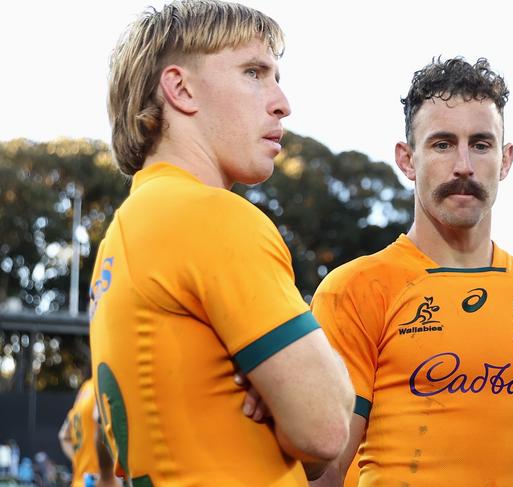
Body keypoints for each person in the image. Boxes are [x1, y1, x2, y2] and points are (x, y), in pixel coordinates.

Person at [309, 56, 513, 486]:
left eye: (482, 144)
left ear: (505, 160)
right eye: (442, 143)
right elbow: (325, 472)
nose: (464, 166)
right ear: (407, 159)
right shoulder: (356, 289)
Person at [88, 1, 354, 486]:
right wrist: (299, 385)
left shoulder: (128, 227)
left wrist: (285, 394)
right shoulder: (211, 216)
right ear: (181, 88)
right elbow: (326, 431)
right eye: (254, 72)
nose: (282, 102)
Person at [59, 377, 121, 487]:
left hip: (80, 482)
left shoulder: (85, 388)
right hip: (102, 482)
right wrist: (107, 474)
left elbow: (63, 435)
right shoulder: (105, 384)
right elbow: (100, 424)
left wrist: (81, 461)